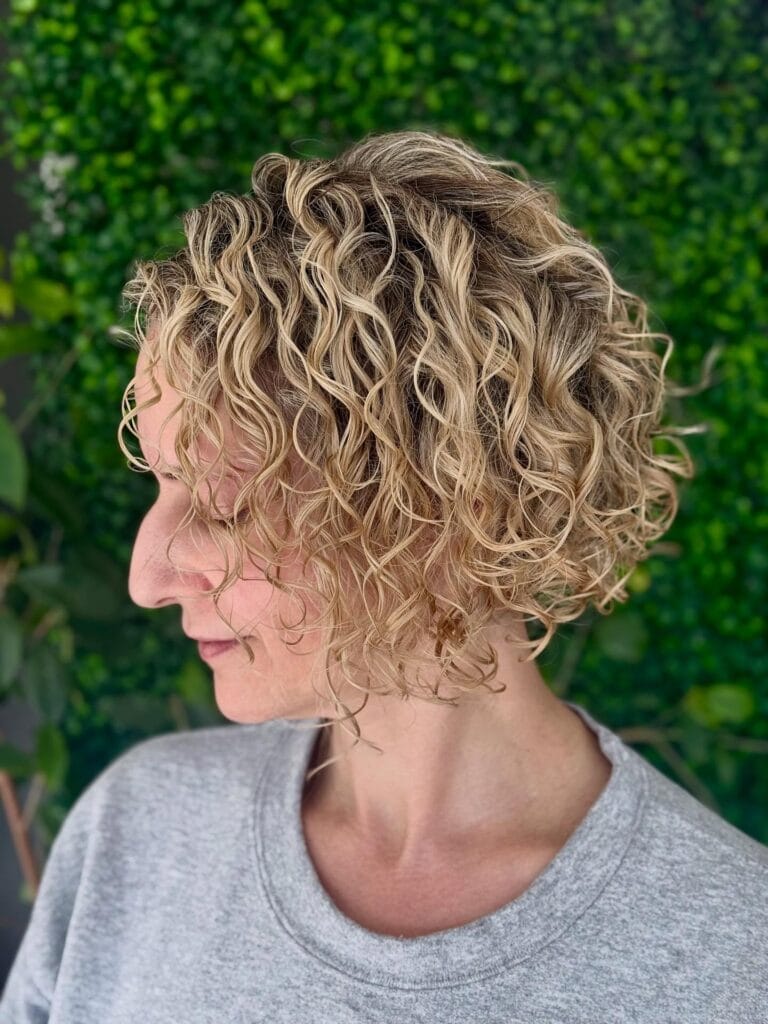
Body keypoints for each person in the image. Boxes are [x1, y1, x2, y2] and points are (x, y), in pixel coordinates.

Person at [2, 129, 766, 1022]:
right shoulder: (137, 831)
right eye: (163, 485)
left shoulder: (731, 958)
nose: (146, 577)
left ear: (451, 508)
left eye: (226, 503)